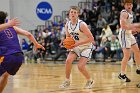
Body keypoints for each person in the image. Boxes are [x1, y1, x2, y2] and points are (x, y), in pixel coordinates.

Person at [0, 11, 45, 93]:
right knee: (5, 75)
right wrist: (36, 44)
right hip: (19, 57)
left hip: (8, 56)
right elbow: (28, 34)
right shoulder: (12, 27)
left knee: (4, 74)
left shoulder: (5, 27)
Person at [59, 6, 96, 89]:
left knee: (80, 66)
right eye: (71, 12)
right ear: (69, 14)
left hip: (86, 46)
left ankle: (90, 80)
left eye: (75, 12)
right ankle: (67, 81)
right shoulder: (67, 24)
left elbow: (91, 39)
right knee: (68, 61)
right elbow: (68, 37)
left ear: (78, 14)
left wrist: (77, 43)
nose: (73, 14)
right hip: (76, 46)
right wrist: (67, 44)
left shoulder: (82, 24)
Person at [118, 0, 140, 82]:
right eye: (127, 4)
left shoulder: (131, 13)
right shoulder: (124, 13)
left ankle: (138, 68)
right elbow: (123, 26)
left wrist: (133, 30)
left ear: (132, 5)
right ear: (124, 5)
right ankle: (122, 74)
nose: (129, 6)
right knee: (127, 55)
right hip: (124, 35)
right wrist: (134, 27)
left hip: (129, 34)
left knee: (137, 51)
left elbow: (129, 25)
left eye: (130, 4)